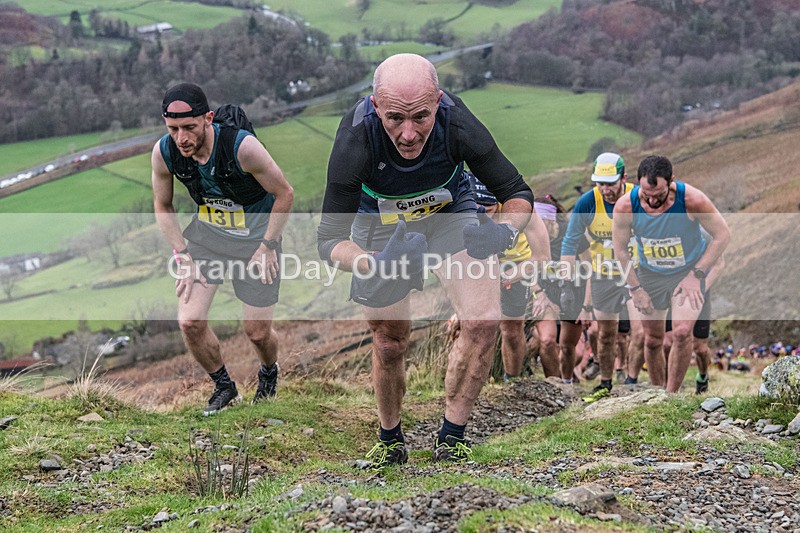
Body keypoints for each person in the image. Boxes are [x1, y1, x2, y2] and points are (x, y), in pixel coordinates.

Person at [316, 54, 534, 467]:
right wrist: (373, 263)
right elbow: (329, 240)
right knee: (389, 339)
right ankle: (390, 438)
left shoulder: (458, 123)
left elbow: (518, 193)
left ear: (438, 101)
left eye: (421, 116)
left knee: (483, 321)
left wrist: (504, 232)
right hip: (381, 223)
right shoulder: (356, 138)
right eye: (395, 118)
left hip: (449, 210)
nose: (409, 133)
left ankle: (452, 437)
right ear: (376, 106)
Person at [151, 83, 294, 415]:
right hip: (207, 241)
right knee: (190, 321)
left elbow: (285, 194)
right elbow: (163, 204)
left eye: (189, 127)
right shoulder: (165, 152)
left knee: (257, 332)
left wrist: (269, 246)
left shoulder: (243, 148)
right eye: (173, 129)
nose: (181, 137)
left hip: (257, 242)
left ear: (208, 119)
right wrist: (182, 255)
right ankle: (224, 386)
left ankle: (269, 372)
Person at [612, 155, 729, 393]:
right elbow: (621, 251)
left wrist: (697, 274)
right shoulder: (626, 206)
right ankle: (658, 394)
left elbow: (723, 235)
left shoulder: (692, 200)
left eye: (659, 194)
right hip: (650, 273)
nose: (653, 200)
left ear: (671, 182)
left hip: (687, 271)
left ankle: (671, 395)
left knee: (683, 332)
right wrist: (636, 288)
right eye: (647, 195)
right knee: (653, 339)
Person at [560, 153, 642, 402]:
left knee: (640, 331)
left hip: (635, 274)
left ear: (624, 178)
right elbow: (570, 241)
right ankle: (606, 382)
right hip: (603, 275)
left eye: (610, 183)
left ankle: (631, 380)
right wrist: (565, 281)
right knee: (606, 333)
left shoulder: (637, 198)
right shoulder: (588, 202)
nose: (605, 189)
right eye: (600, 183)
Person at [467, 174, 556, 379]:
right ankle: (475, 380)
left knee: (510, 328)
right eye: (477, 210)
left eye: (488, 210)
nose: (484, 217)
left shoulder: (521, 209)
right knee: (476, 326)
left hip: (515, 267)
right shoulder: (462, 208)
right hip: (478, 265)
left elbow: (543, 257)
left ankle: (512, 380)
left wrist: (506, 278)